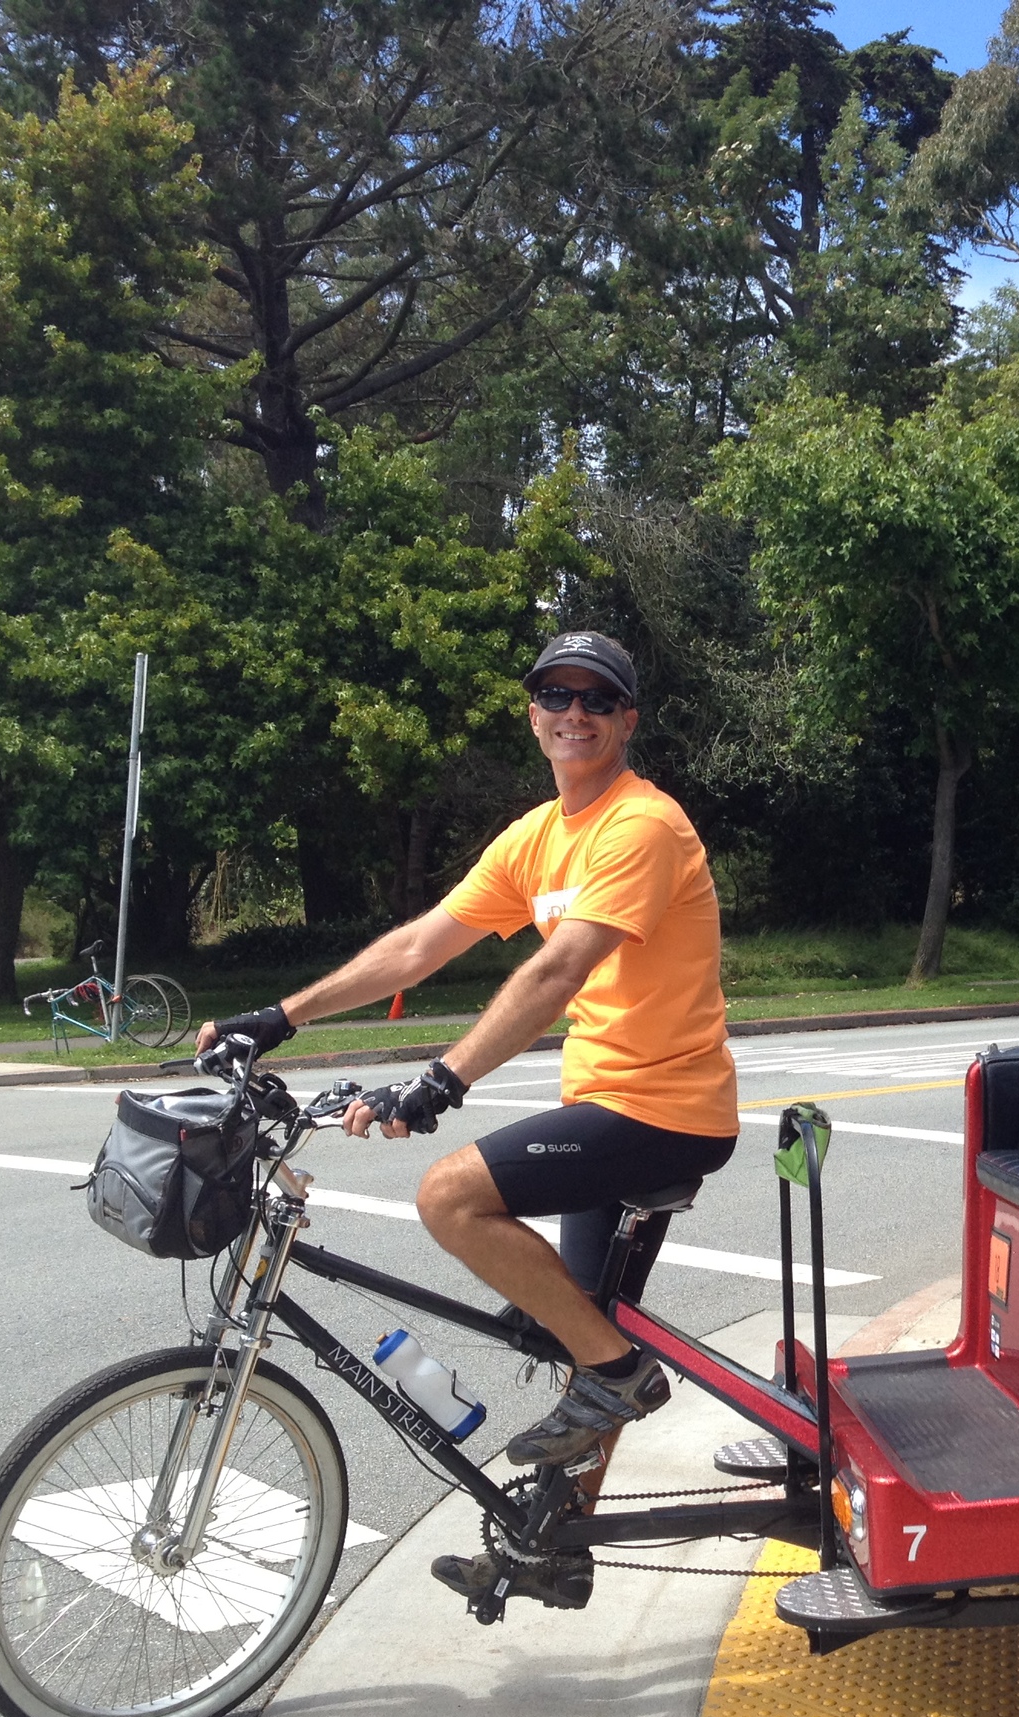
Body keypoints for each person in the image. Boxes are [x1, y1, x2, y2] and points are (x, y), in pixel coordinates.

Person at [199, 630, 738, 1607]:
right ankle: (554, 1548)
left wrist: (443, 1081)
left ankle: (615, 1379)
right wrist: (277, 1018)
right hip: (605, 1102)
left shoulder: (641, 826)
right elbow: (416, 948)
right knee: (585, 1335)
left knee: (451, 1198)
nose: (570, 712)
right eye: (552, 694)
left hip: (666, 1110)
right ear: (531, 710)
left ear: (625, 719)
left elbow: (557, 969)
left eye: (593, 698)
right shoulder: (537, 835)